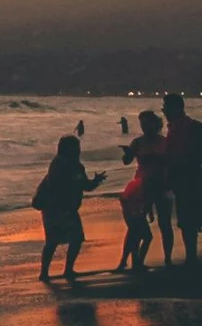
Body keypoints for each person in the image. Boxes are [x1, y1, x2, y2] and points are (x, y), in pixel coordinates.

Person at [31, 134, 106, 281]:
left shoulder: (78, 166)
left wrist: (96, 181)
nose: (77, 150)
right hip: (53, 208)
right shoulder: (58, 164)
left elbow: (85, 186)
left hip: (69, 209)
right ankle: (44, 273)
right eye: (74, 147)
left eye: (77, 147)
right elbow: (57, 183)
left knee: (76, 239)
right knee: (52, 242)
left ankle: (68, 270)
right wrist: (77, 181)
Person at [118, 111, 170, 272]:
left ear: (156, 124)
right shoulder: (138, 142)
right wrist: (128, 153)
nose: (145, 127)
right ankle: (128, 261)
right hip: (142, 186)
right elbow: (126, 161)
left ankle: (167, 259)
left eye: (147, 124)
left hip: (162, 184)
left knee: (165, 223)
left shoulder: (164, 141)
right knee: (136, 225)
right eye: (142, 124)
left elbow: (171, 161)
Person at [166, 94, 202, 268]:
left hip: (189, 176)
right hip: (187, 176)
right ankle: (191, 256)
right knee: (190, 219)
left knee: (189, 219)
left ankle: (191, 257)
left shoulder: (189, 127)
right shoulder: (179, 127)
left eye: (165, 107)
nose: (164, 111)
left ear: (175, 108)